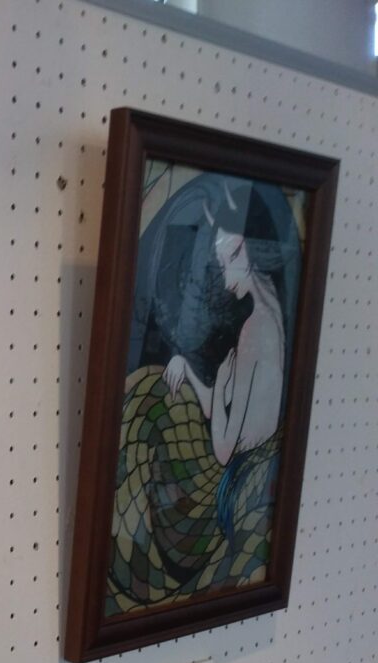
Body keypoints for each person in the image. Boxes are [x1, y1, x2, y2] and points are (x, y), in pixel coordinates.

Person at [108, 182, 291, 614]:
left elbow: (225, 449)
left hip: (232, 487)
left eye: (224, 258)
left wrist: (221, 380)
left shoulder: (255, 332)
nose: (222, 275)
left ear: (243, 249)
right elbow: (228, 415)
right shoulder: (272, 319)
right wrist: (189, 370)